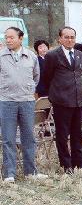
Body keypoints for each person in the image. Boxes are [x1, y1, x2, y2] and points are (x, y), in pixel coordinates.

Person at [0, 27, 46, 181]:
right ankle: (9, 174)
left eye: (11, 37)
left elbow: (36, 77)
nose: (8, 40)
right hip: (7, 102)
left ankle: (30, 172)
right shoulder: (1, 56)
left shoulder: (31, 56)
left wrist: (28, 89)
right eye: (6, 37)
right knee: (8, 139)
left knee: (29, 137)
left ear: (20, 38)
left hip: (26, 101)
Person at [40, 26, 82, 173]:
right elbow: (47, 77)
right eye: (66, 37)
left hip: (78, 100)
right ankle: (66, 165)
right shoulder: (52, 55)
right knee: (62, 134)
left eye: (72, 37)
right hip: (61, 100)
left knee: (77, 133)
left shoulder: (79, 54)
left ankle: (79, 162)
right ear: (60, 39)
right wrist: (57, 92)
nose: (69, 40)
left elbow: (79, 73)